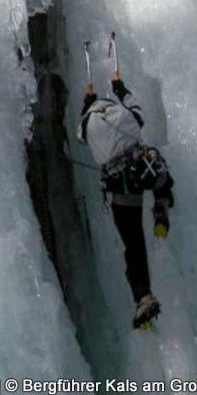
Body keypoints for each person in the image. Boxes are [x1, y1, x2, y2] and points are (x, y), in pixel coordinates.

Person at [78, 71, 174, 329]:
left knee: (134, 246)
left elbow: (80, 133)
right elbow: (137, 110)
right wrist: (120, 88)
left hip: (121, 190)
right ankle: (161, 205)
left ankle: (142, 296)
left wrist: (88, 102)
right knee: (164, 181)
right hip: (144, 170)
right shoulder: (124, 114)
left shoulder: (88, 124)